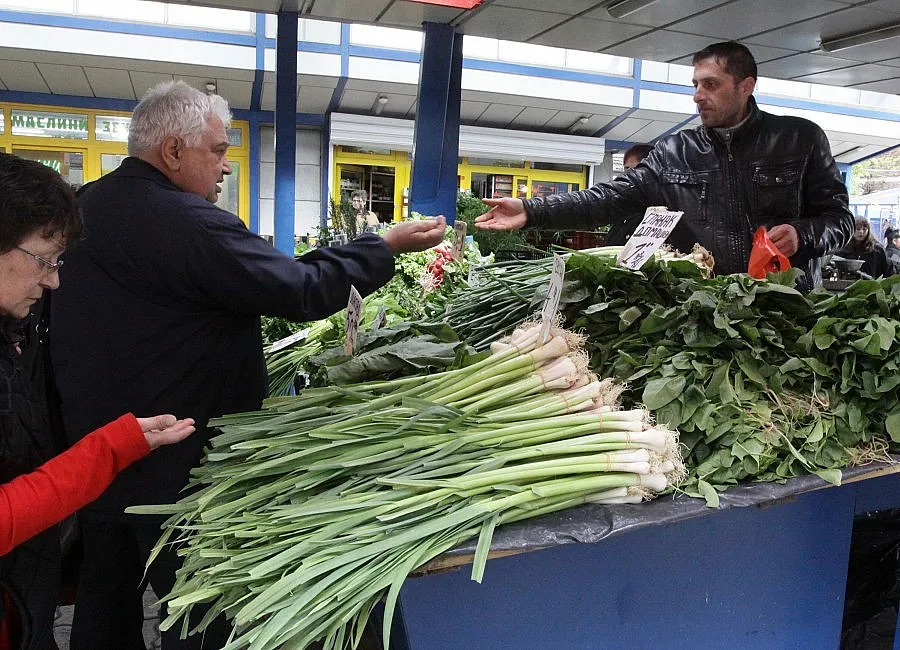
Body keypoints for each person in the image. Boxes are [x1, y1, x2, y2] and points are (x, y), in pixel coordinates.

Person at [49, 80, 445, 650]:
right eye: (217, 150)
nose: (224, 167)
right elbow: (301, 289)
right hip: (177, 460)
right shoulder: (187, 222)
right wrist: (381, 248)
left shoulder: (86, 206)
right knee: (193, 611)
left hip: (99, 452)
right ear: (173, 152)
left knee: (104, 599)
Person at [0, 152, 196, 650]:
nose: (54, 280)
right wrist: (107, 451)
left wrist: (121, 442)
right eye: (45, 260)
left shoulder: (15, 336)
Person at [477, 41, 854, 290]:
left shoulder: (800, 139)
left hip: (784, 305)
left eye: (710, 85)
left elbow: (840, 220)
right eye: (695, 84)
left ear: (746, 86)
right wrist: (531, 210)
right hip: (701, 309)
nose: (697, 96)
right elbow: (607, 198)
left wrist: (803, 235)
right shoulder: (674, 151)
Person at [605, 143, 654, 246]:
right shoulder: (622, 208)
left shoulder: (655, 213)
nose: (630, 177)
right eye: (626, 169)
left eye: (636, 171)